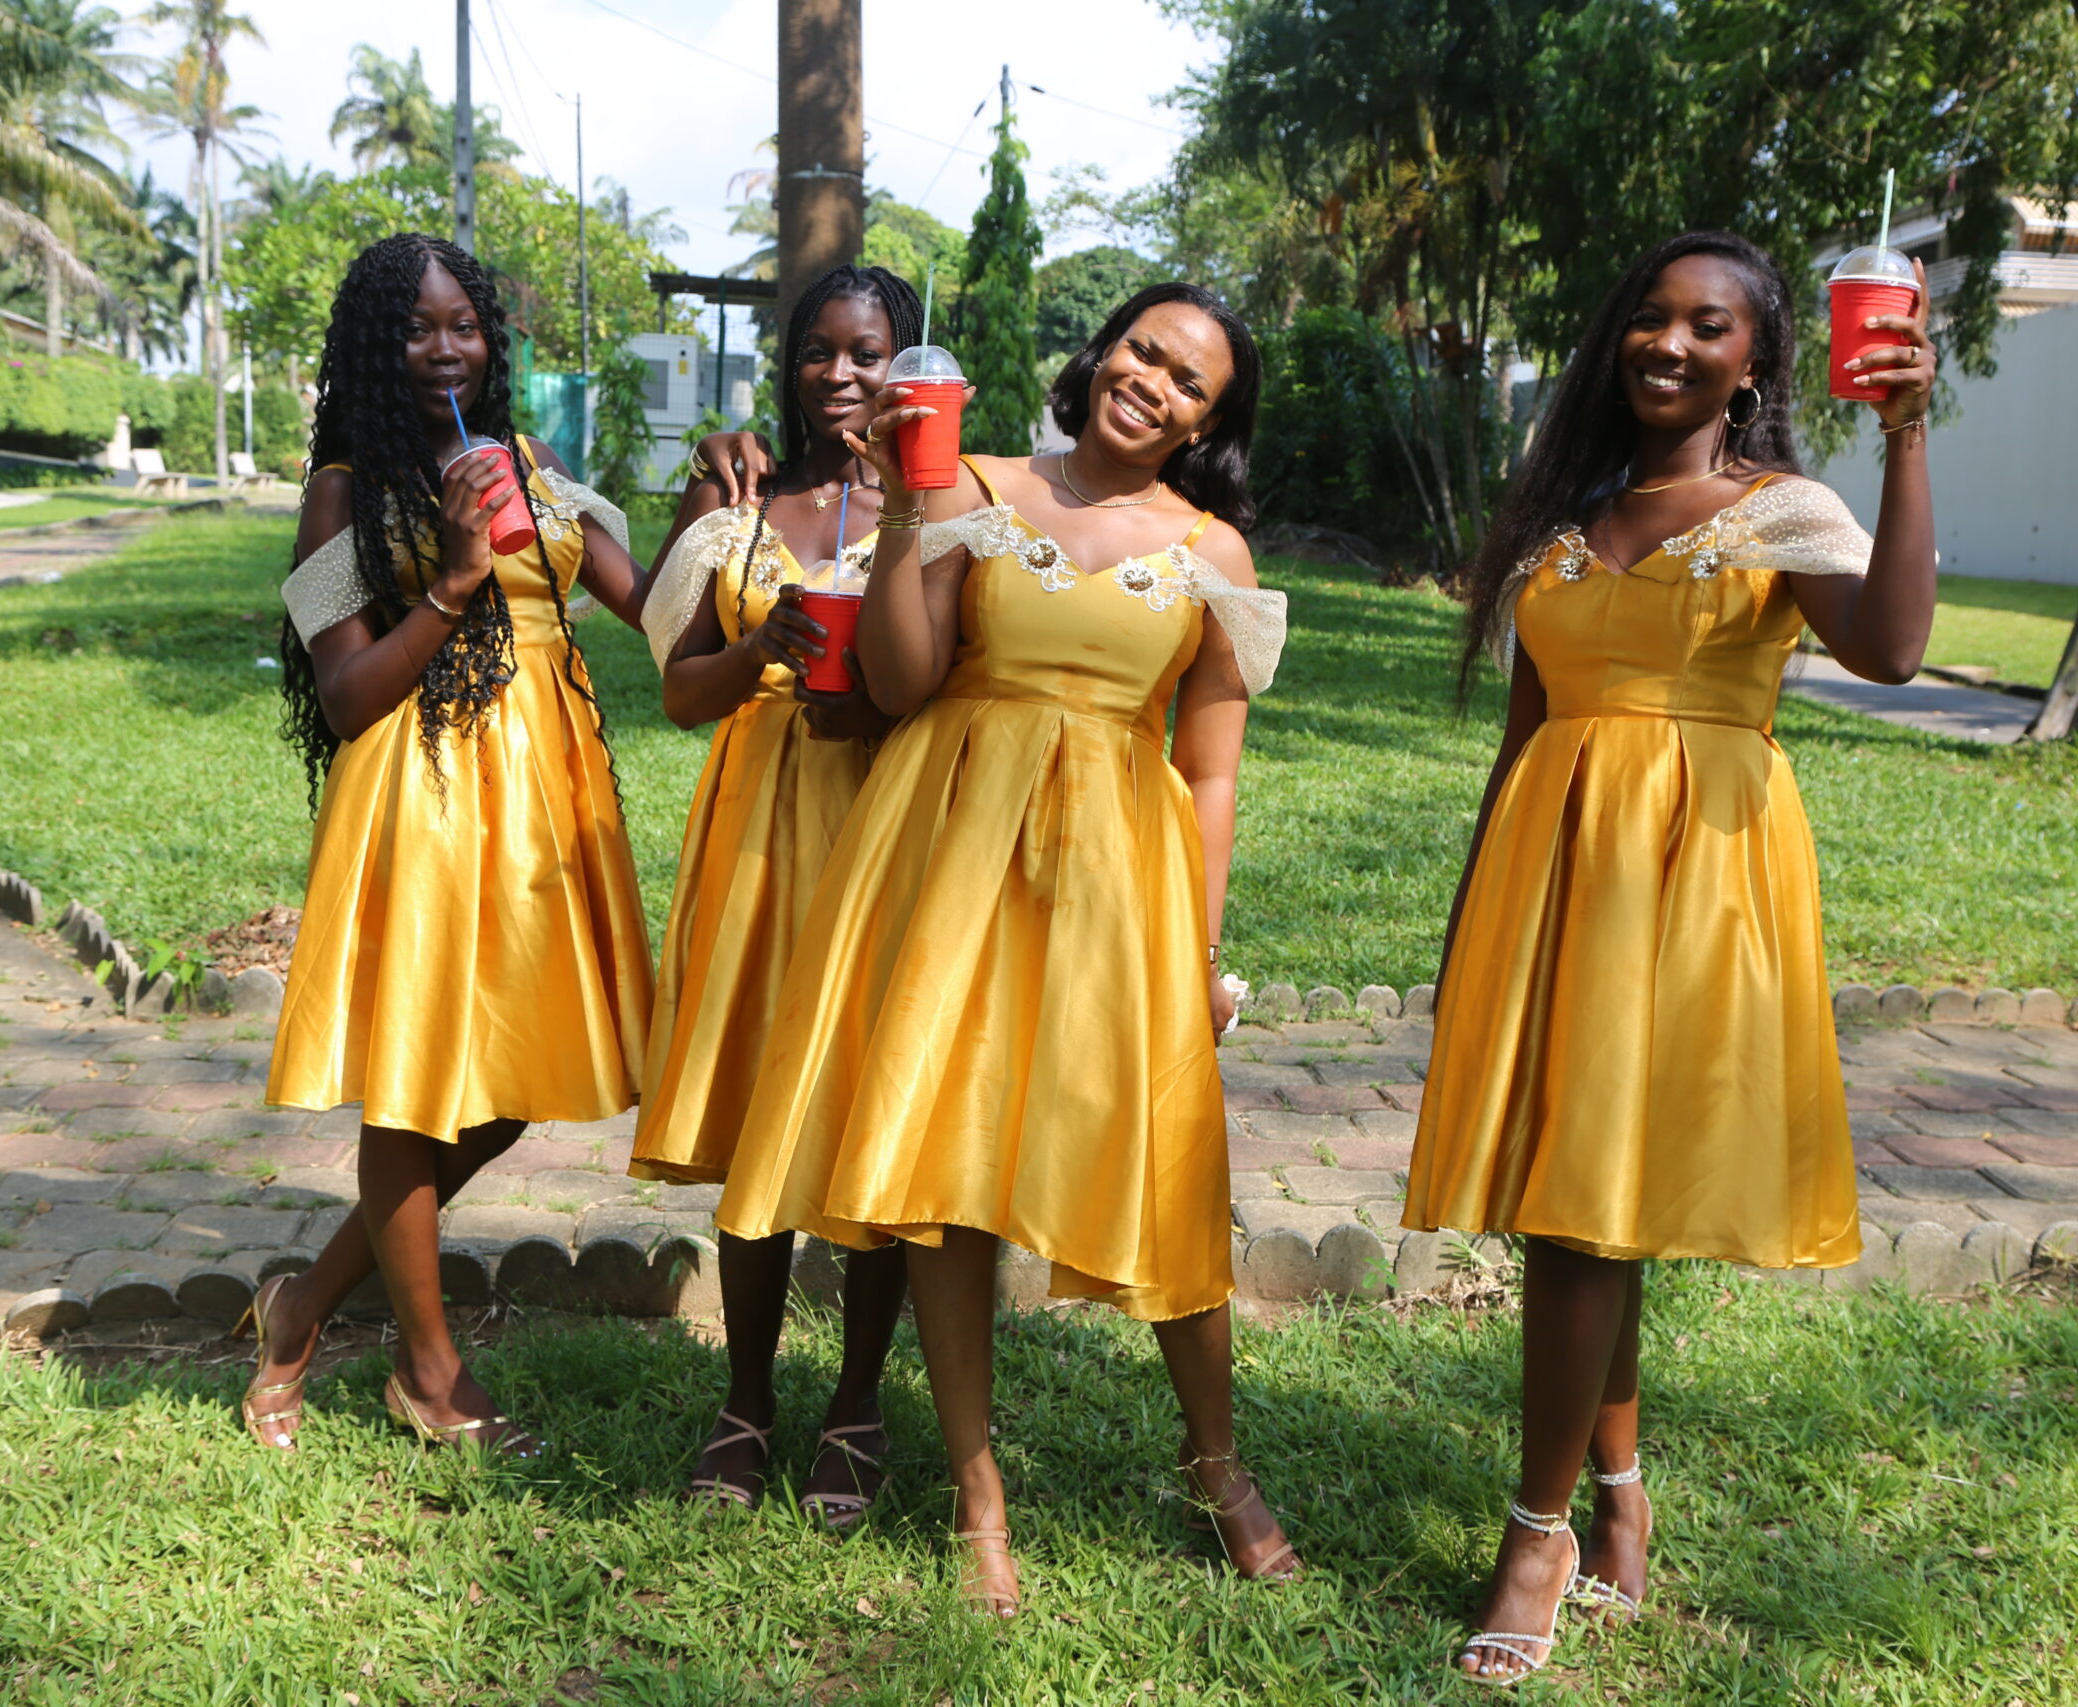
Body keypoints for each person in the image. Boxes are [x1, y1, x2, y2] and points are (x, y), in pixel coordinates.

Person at [715, 283, 1302, 1615]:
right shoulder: (971, 482)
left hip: (1116, 874)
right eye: (1143, 350)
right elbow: (901, 683)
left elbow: (1211, 769)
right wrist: (908, 509)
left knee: (1164, 1162)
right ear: (1101, 352)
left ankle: (1217, 1463)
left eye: (1190, 382)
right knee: (948, 1164)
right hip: (951, 848)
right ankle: (978, 1495)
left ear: (1208, 423)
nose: (1153, 383)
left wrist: (1200, 946)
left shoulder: (1213, 550)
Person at [1409, 231, 1937, 1684]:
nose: (1670, 342)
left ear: (1754, 359)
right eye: (1649, 317)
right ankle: (1618, 1496)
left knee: (1586, 1214)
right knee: (1585, 1198)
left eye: (1708, 325)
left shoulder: (1782, 511)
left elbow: (1892, 649)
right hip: (1548, 878)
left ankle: (1537, 1534)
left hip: (1696, 882)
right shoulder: (1562, 518)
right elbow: (1523, 738)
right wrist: (1467, 941)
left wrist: (1905, 441)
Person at [241, 233, 655, 1456]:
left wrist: (721, 508)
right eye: (415, 328)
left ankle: (302, 1306)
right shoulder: (342, 492)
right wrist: (454, 582)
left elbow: (652, 606)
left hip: (546, 801)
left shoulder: (535, 463)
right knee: (418, 1086)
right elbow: (344, 697)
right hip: (420, 795)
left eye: (464, 326)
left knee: (511, 1086)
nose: (444, 348)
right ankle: (427, 1372)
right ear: (377, 346)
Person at [628, 265, 924, 1525]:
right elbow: (675, 690)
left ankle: (857, 1403)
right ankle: (746, 1401)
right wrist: (759, 648)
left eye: (867, 352)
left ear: (907, 365)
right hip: (755, 833)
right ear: (789, 362)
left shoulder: (947, 499)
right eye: (817, 350)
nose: (840, 373)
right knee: (757, 1103)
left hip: (888, 830)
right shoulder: (732, 493)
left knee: (869, 1105)